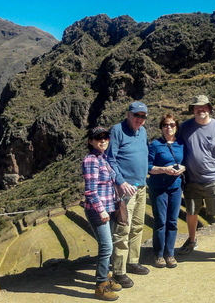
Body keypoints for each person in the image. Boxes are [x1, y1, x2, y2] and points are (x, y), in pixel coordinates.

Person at [177, 94, 215, 267]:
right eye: (196, 108)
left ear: (209, 109)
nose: (200, 110)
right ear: (193, 110)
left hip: (214, 178)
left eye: (203, 107)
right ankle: (192, 240)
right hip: (192, 179)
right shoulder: (185, 127)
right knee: (191, 213)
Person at [106, 102, 150, 288]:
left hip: (141, 186)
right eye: (136, 115)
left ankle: (132, 261)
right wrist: (121, 182)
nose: (139, 119)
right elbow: (110, 159)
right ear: (128, 114)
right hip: (125, 190)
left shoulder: (143, 131)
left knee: (138, 226)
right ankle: (119, 271)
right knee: (122, 228)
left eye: (143, 116)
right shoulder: (117, 130)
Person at [82, 126, 122, 301]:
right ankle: (101, 286)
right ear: (90, 141)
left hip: (109, 209)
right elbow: (90, 191)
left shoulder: (103, 158)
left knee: (108, 246)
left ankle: (106, 277)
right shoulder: (91, 160)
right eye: (98, 138)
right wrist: (102, 210)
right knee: (106, 248)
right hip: (99, 211)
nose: (103, 140)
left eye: (106, 137)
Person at [148, 113, 185, 268]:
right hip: (159, 188)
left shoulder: (181, 143)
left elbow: (185, 162)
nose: (168, 127)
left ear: (176, 127)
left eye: (171, 125)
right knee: (160, 221)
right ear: (161, 128)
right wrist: (164, 169)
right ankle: (158, 254)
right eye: (165, 125)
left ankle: (169, 254)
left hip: (175, 187)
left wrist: (182, 168)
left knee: (172, 221)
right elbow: (148, 167)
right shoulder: (155, 145)